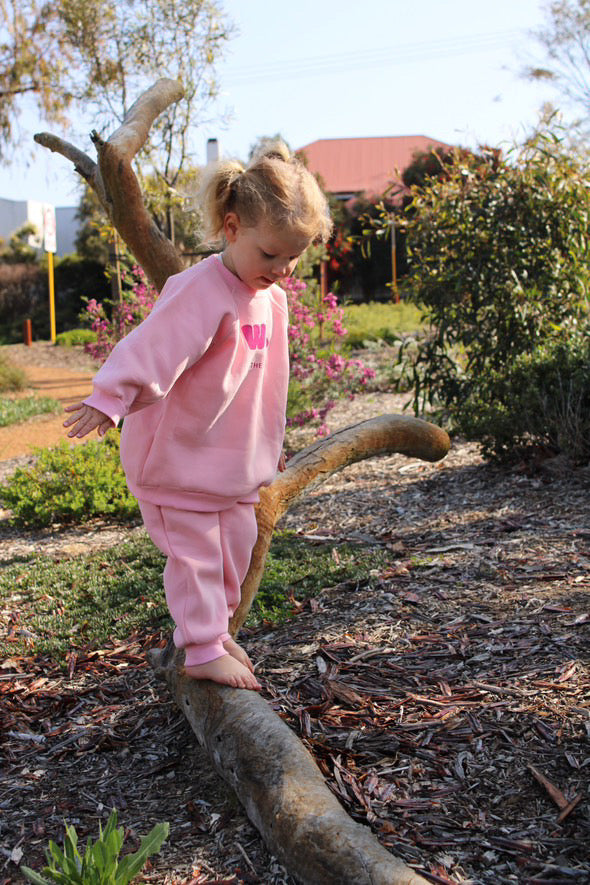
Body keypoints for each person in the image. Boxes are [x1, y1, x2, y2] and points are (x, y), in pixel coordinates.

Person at [63, 141, 332, 690]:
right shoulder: (200, 290)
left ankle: (214, 631)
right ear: (232, 228)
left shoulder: (271, 298)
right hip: (178, 462)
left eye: (293, 257)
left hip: (231, 463)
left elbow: (268, 380)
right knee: (197, 559)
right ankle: (202, 646)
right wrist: (109, 397)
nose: (282, 269)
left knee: (234, 550)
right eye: (271, 254)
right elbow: (152, 346)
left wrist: (266, 443)